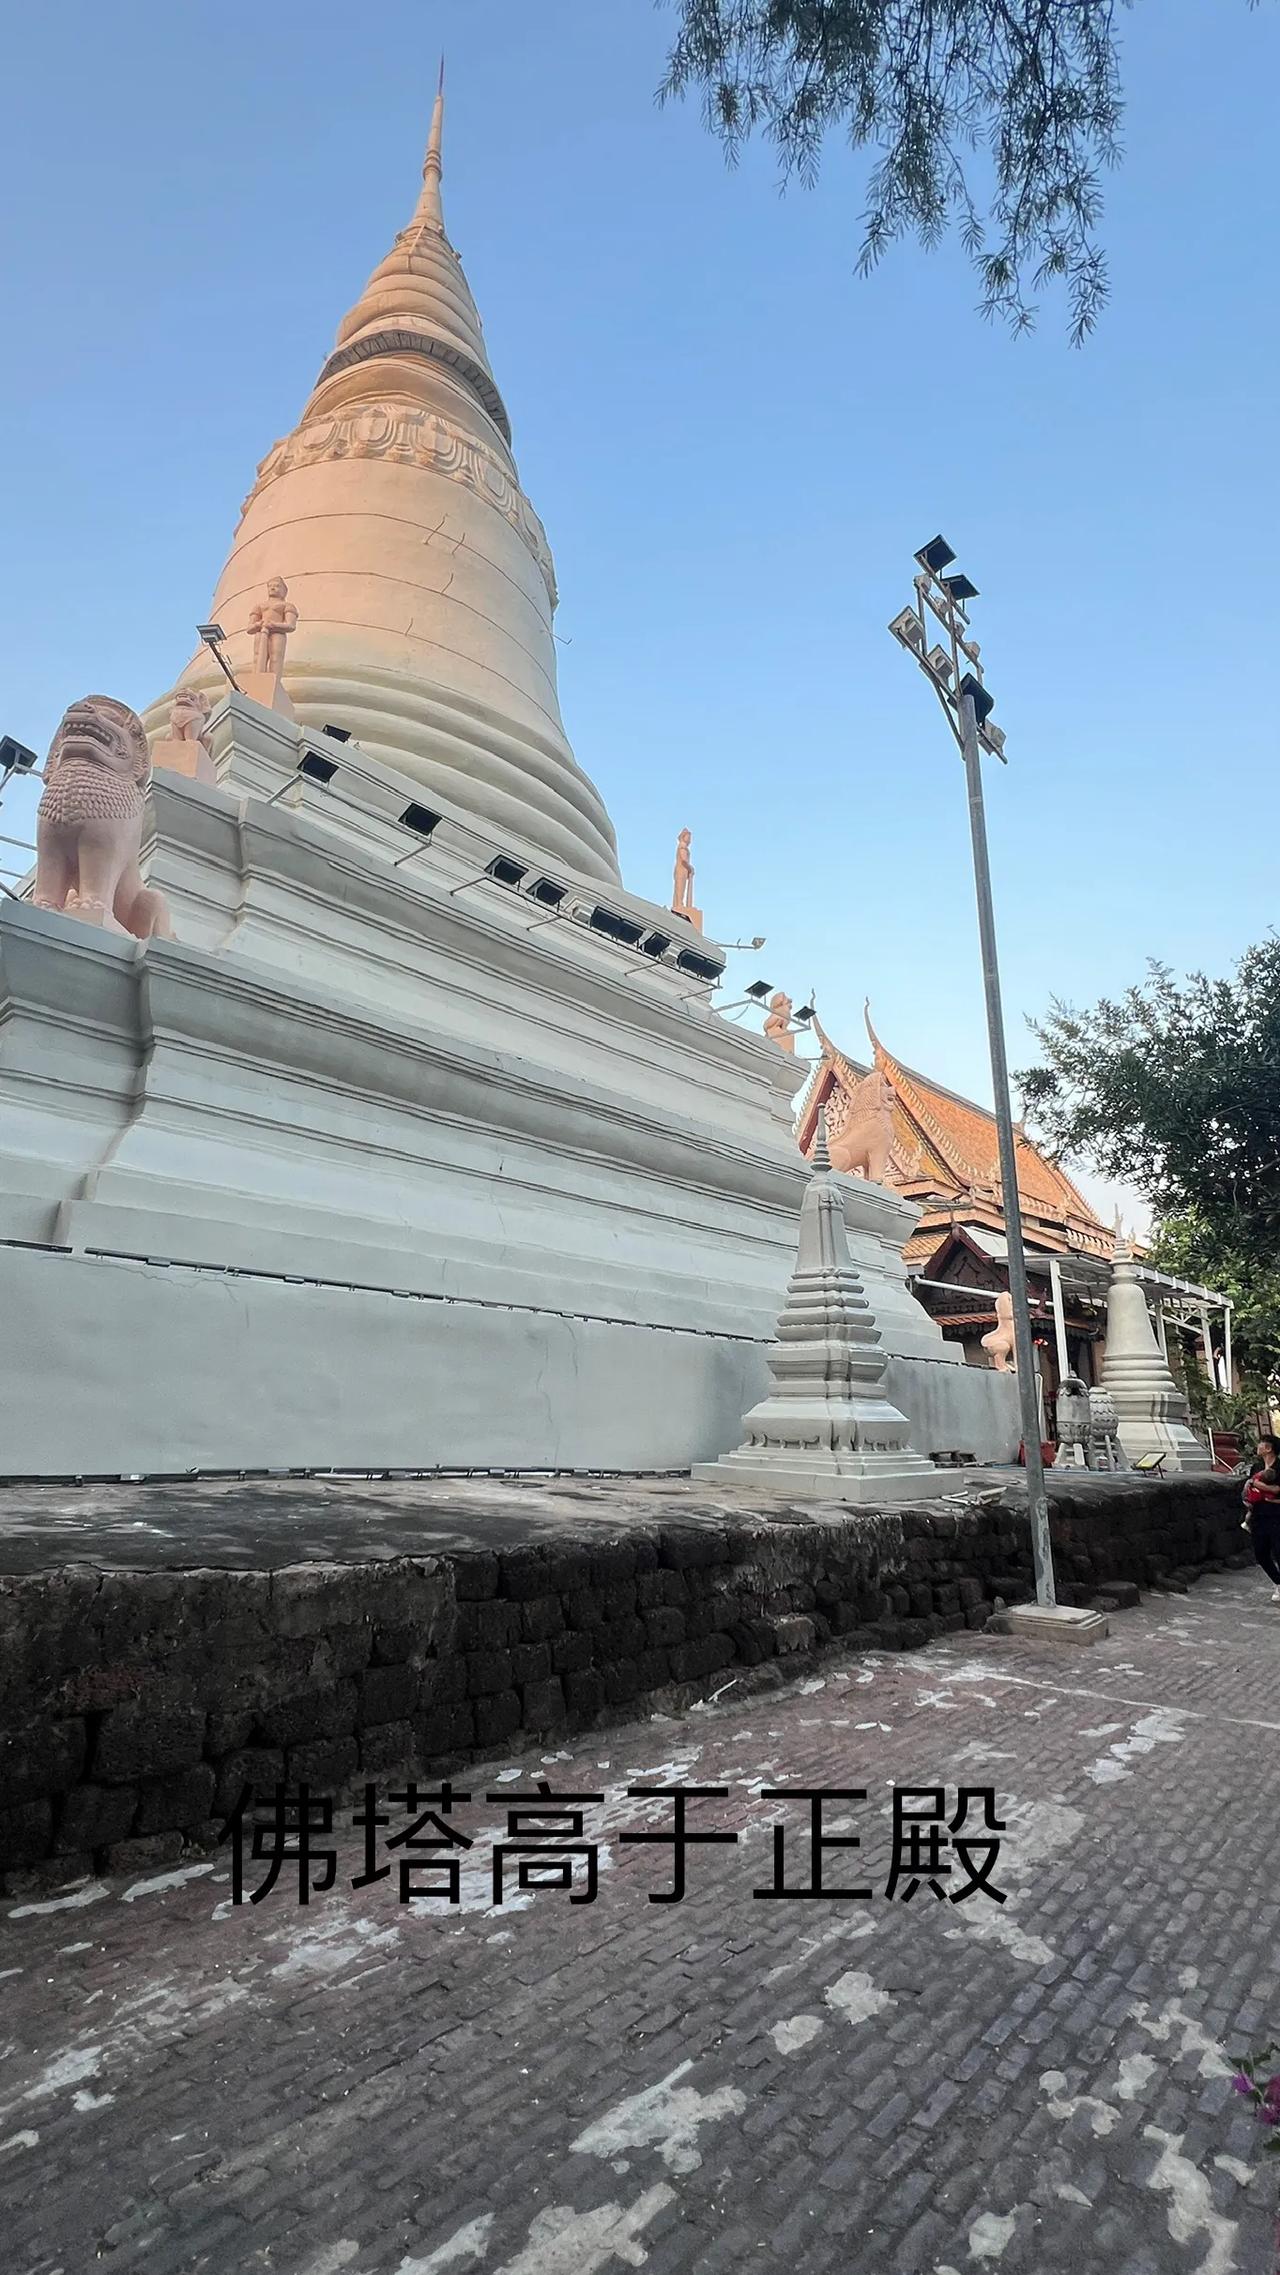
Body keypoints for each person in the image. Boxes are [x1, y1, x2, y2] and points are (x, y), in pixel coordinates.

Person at [1243, 1434, 1280, 1602]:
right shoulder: (1256, 1467)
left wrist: (1261, 1486)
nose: (1257, 1446)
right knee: (1261, 1553)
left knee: (1278, 1551)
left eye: (1261, 1443)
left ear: (1269, 1448)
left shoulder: (1279, 1467)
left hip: (1276, 1513)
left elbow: (1277, 1489)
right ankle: (1278, 1582)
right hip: (1258, 1513)